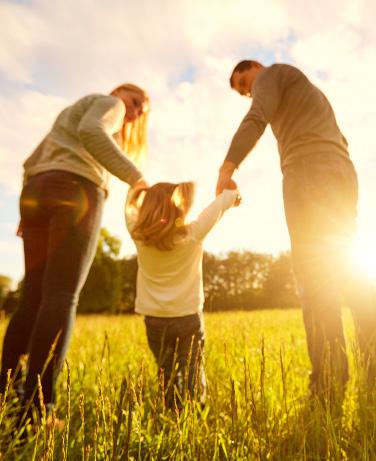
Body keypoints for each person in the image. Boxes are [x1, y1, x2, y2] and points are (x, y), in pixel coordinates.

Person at [216, 60, 376, 398]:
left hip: (307, 171)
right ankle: (372, 373)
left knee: (315, 276)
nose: (248, 92)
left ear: (256, 67)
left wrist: (227, 167)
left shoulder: (273, 74)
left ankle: (328, 386)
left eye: (245, 82)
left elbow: (257, 117)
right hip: (340, 171)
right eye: (244, 91)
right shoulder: (306, 91)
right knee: (350, 271)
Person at [0, 83, 150, 420]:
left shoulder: (73, 110)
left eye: (142, 108)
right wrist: (135, 177)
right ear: (119, 93)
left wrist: (28, 209)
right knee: (61, 295)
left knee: (33, 298)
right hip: (76, 190)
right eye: (135, 100)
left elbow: (30, 161)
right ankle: (37, 410)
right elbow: (91, 130)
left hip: (37, 191)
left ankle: (5, 393)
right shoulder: (111, 105)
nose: (136, 110)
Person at [125, 181, 240, 408]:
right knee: (192, 370)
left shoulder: (137, 235)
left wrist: (137, 188)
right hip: (188, 317)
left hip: (154, 319)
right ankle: (194, 414)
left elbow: (128, 207)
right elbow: (220, 204)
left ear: (146, 208)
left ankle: (172, 411)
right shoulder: (193, 233)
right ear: (179, 209)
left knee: (166, 370)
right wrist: (232, 193)